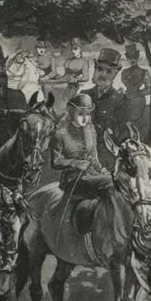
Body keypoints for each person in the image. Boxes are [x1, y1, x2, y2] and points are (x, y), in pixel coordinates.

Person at [52, 91, 113, 234]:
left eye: (88, 114)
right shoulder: (61, 134)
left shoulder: (91, 131)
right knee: (111, 182)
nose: (85, 118)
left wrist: (103, 170)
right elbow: (55, 161)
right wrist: (74, 163)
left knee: (114, 179)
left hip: (92, 175)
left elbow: (94, 158)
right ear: (72, 113)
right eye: (81, 114)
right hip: (73, 179)